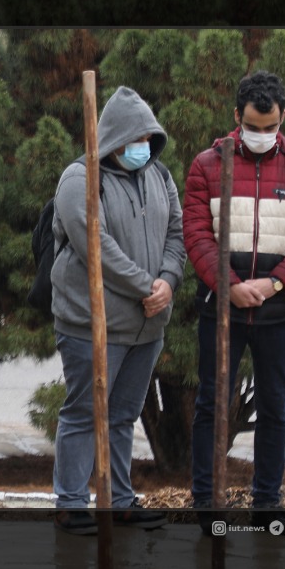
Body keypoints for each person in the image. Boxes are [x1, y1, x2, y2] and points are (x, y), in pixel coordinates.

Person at [184, 71, 285, 533]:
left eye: (270, 127)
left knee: (273, 408)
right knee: (212, 405)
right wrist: (228, 285)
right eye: (252, 126)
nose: (261, 135)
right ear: (236, 116)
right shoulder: (207, 165)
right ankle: (206, 502)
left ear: (283, 117)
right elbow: (196, 234)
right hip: (221, 309)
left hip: (279, 313)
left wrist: (273, 284)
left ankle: (267, 502)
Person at [49, 86, 184, 535]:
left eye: (148, 138)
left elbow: (177, 234)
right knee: (84, 412)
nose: (142, 146)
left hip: (148, 324)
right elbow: (96, 247)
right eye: (133, 138)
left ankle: (119, 500)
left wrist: (168, 281)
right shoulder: (80, 179)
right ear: (112, 138)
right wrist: (147, 286)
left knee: (124, 415)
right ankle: (70, 503)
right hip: (91, 324)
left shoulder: (160, 176)